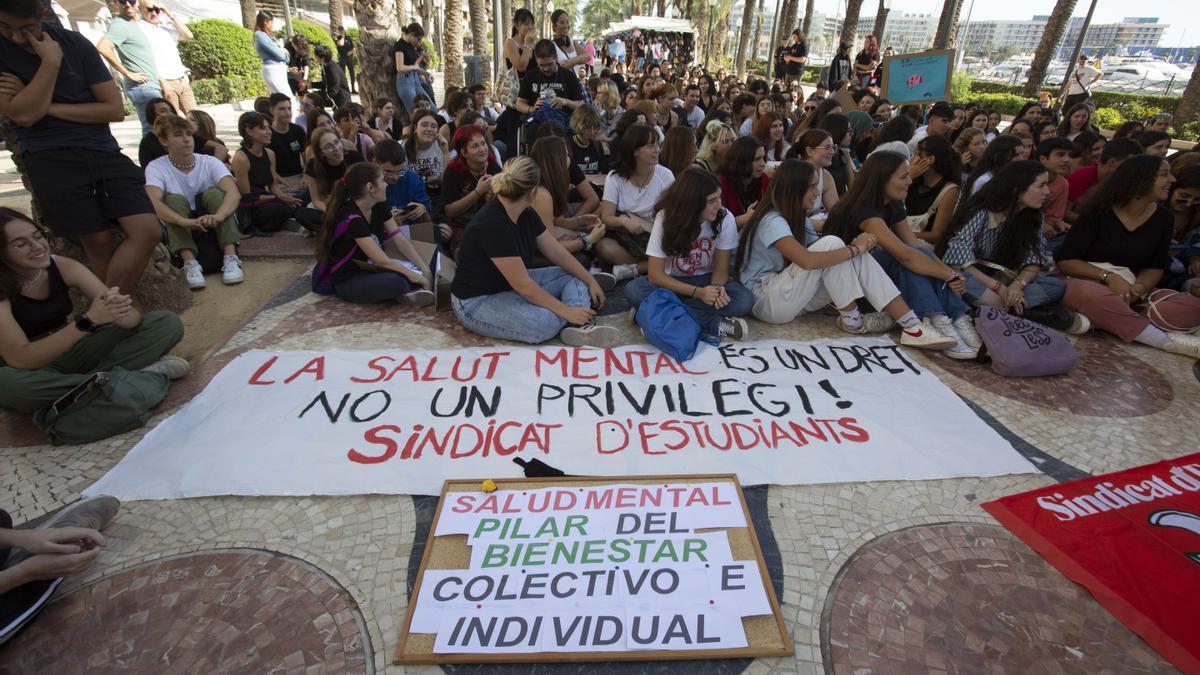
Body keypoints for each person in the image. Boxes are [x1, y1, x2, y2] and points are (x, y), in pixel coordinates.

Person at [0, 3, 162, 299]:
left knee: (147, 229)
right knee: (97, 242)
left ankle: (104, 313)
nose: (17, 38)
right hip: (49, 156)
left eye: (27, 29)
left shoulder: (75, 44)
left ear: (42, 18)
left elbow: (112, 109)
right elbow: (22, 117)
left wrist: (41, 106)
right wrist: (50, 63)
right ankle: (112, 313)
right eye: (6, 28)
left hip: (101, 149)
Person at [735, 160, 954, 349]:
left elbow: (824, 255)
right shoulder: (771, 220)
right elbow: (807, 260)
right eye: (811, 187)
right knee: (837, 246)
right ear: (795, 189)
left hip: (790, 298)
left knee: (848, 253)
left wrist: (855, 250)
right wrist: (854, 248)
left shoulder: (797, 217)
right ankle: (853, 320)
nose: (817, 193)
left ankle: (912, 325)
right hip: (765, 300)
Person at [0, 208, 187, 421]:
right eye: (20, 244)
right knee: (8, 385)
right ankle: (126, 378)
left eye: (37, 236)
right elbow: (21, 358)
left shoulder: (61, 266)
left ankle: (90, 386)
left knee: (166, 323)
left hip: (69, 353)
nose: (37, 246)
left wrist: (117, 307)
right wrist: (88, 321)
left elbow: (131, 320)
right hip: (27, 370)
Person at [451, 156, 617, 346]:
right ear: (532, 191)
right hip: (477, 301)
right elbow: (523, 286)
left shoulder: (525, 213)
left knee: (576, 274)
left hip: (509, 286)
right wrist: (565, 310)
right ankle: (576, 314)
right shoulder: (493, 225)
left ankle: (579, 325)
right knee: (544, 322)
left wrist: (590, 280)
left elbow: (556, 252)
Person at [824, 151, 977, 357]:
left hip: (879, 283)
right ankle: (935, 318)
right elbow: (904, 254)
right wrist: (949, 275)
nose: (910, 181)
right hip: (851, 288)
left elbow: (913, 244)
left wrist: (948, 273)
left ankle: (955, 317)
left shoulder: (892, 204)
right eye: (904, 177)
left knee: (919, 251)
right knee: (901, 258)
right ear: (882, 179)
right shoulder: (864, 210)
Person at [1055, 155, 1200, 357]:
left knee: (1193, 306)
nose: (1172, 180)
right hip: (1086, 282)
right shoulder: (1100, 209)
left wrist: (1138, 288)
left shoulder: (1163, 218)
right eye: (1164, 174)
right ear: (1141, 179)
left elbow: (1155, 266)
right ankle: (1160, 340)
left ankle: (1106, 319)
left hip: (1132, 290)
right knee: (1090, 294)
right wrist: (1110, 278)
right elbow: (1066, 261)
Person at [939, 160, 1081, 331]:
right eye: (1041, 185)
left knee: (1055, 286)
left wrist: (1016, 286)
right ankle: (1019, 311)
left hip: (1004, 279)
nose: (1047, 191)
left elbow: (1034, 259)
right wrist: (998, 288)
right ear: (1018, 189)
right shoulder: (982, 211)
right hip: (976, 278)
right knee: (960, 280)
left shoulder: (1033, 216)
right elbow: (958, 262)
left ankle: (996, 310)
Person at [622, 168, 754, 340]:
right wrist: (698, 293)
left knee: (744, 300)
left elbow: (720, 271)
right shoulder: (666, 218)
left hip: (707, 280)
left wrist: (717, 290)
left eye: (719, 198)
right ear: (693, 202)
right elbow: (655, 275)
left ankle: (652, 313)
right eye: (712, 200)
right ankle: (713, 324)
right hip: (672, 284)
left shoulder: (725, 218)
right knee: (633, 290)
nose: (719, 205)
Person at [143, 114, 244, 289]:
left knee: (215, 193)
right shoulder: (157, 167)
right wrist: (182, 221)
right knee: (173, 200)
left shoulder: (209, 162)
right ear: (164, 140)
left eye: (188, 134)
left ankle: (230, 257)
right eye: (178, 134)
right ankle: (189, 261)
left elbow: (233, 192)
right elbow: (152, 200)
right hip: (182, 220)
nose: (186, 139)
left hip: (211, 218)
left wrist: (219, 216)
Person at [314, 162, 434, 305]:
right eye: (382, 180)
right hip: (349, 277)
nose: (386, 185)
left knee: (430, 260)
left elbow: (399, 238)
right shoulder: (352, 218)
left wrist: (424, 268)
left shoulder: (378, 204)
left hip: (370, 266)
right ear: (370, 188)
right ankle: (404, 292)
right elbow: (382, 261)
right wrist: (419, 278)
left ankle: (406, 292)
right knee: (397, 282)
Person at [528, 136, 609, 268]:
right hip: (525, 254)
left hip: (538, 244)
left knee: (588, 249)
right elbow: (550, 248)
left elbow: (558, 222)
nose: (569, 159)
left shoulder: (548, 186)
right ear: (556, 160)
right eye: (566, 154)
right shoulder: (541, 194)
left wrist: (581, 220)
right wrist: (586, 241)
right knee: (582, 258)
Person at [231, 111, 308, 235]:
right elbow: (246, 196)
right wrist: (277, 198)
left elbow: (273, 185)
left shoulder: (270, 153)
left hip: (269, 197)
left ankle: (292, 215)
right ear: (249, 131)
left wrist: (283, 196)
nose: (269, 132)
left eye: (268, 127)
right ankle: (290, 216)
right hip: (254, 206)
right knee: (277, 209)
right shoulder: (241, 158)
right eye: (263, 128)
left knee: (303, 194)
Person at [95, 0, 161, 135]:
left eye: (131, 1)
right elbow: (103, 47)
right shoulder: (119, 25)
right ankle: (151, 156)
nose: (128, 4)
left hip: (151, 84)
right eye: (122, 1)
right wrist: (128, 73)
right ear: (115, 3)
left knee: (159, 128)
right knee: (152, 130)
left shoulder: (134, 24)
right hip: (143, 87)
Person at [440, 126, 502, 252]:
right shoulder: (453, 172)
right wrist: (478, 192)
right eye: (475, 146)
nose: (482, 149)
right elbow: (449, 211)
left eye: (483, 144)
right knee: (467, 252)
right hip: (463, 225)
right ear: (463, 152)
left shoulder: (493, 168)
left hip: (490, 223)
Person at [1066, 137, 1142, 223]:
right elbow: (1065, 212)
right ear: (1112, 162)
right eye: (1130, 165)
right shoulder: (1083, 176)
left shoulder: (1122, 183)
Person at [137, 1, 194, 114]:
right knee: (173, 122)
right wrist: (162, 82)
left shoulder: (164, 29)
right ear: (140, 9)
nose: (154, 13)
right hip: (166, 82)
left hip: (182, 79)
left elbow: (188, 35)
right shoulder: (140, 29)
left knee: (196, 120)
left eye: (157, 10)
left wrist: (169, 13)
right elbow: (145, 60)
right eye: (149, 9)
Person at [137, 98, 226, 168]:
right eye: (163, 111)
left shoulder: (187, 134)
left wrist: (213, 166)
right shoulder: (147, 143)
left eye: (171, 110)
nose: (186, 139)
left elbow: (221, 148)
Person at [516, 39, 587, 126]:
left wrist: (566, 102)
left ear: (556, 58)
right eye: (541, 65)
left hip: (563, 125)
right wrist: (532, 108)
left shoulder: (568, 75)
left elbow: (581, 105)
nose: (546, 69)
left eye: (550, 64)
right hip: (538, 125)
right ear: (536, 60)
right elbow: (519, 104)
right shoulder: (530, 76)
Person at [906, 135, 962, 244]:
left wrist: (900, 235)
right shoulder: (914, 179)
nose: (912, 157)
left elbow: (936, 235)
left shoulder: (948, 190)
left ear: (930, 159)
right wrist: (909, 176)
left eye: (918, 153)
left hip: (919, 247)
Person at [304, 127, 365, 213]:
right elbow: (317, 200)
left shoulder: (354, 157)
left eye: (337, 142)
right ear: (321, 152)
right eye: (329, 146)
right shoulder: (313, 165)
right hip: (330, 207)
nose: (336, 148)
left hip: (355, 203)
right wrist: (330, 215)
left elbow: (364, 190)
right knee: (302, 214)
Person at [789, 129, 841, 224]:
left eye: (833, 147)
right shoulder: (795, 175)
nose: (832, 152)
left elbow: (836, 212)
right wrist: (825, 225)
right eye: (827, 148)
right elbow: (792, 217)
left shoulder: (825, 176)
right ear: (810, 151)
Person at [718, 137, 768, 229]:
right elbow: (716, 225)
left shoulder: (763, 179)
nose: (763, 163)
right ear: (742, 160)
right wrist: (742, 220)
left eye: (763, 158)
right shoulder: (721, 186)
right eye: (757, 159)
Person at [1037, 137, 1074, 252]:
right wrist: (1040, 223)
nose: (1066, 160)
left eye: (1069, 155)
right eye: (1060, 155)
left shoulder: (1062, 184)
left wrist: (1056, 223)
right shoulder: (1028, 177)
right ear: (1043, 159)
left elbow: (1054, 217)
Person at [406, 109, 449, 202]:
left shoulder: (441, 146)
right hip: (409, 196)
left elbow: (445, 179)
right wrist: (429, 178)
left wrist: (445, 152)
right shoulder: (402, 146)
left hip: (434, 195)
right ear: (415, 128)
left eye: (433, 126)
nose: (429, 129)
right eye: (424, 125)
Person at [253, 11, 291, 98]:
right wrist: (284, 52)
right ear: (265, 21)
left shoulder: (267, 35)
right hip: (273, 69)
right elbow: (280, 55)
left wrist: (284, 53)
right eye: (271, 22)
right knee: (287, 98)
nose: (273, 24)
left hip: (278, 69)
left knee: (281, 99)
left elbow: (283, 55)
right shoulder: (260, 35)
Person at [393, 23, 429, 115]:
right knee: (416, 112)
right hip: (404, 80)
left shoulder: (411, 46)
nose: (419, 42)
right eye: (418, 39)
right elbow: (400, 67)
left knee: (430, 107)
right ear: (412, 34)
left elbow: (414, 65)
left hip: (414, 78)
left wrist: (426, 74)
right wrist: (415, 67)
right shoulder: (399, 45)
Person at [550, 9, 588, 78]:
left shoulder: (572, 41)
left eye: (567, 22)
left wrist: (569, 63)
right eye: (562, 23)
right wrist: (575, 60)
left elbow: (588, 56)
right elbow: (555, 69)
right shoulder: (551, 46)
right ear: (554, 26)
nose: (566, 25)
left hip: (575, 83)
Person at [504, 9, 536, 81]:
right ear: (516, 25)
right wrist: (527, 43)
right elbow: (521, 68)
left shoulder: (533, 44)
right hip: (517, 88)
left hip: (532, 87)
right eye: (526, 24)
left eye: (532, 23)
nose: (530, 27)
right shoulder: (510, 43)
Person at [333, 27, 356, 94]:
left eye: (342, 30)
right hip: (342, 57)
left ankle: (353, 89)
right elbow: (341, 44)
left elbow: (354, 48)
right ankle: (345, 89)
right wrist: (342, 37)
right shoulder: (337, 38)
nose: (341, 31)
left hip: (349, 57)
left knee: (352, 73)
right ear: (338, 31)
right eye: (340, 30)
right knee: (343, 73)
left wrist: (350, 52)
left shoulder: (349, 38)